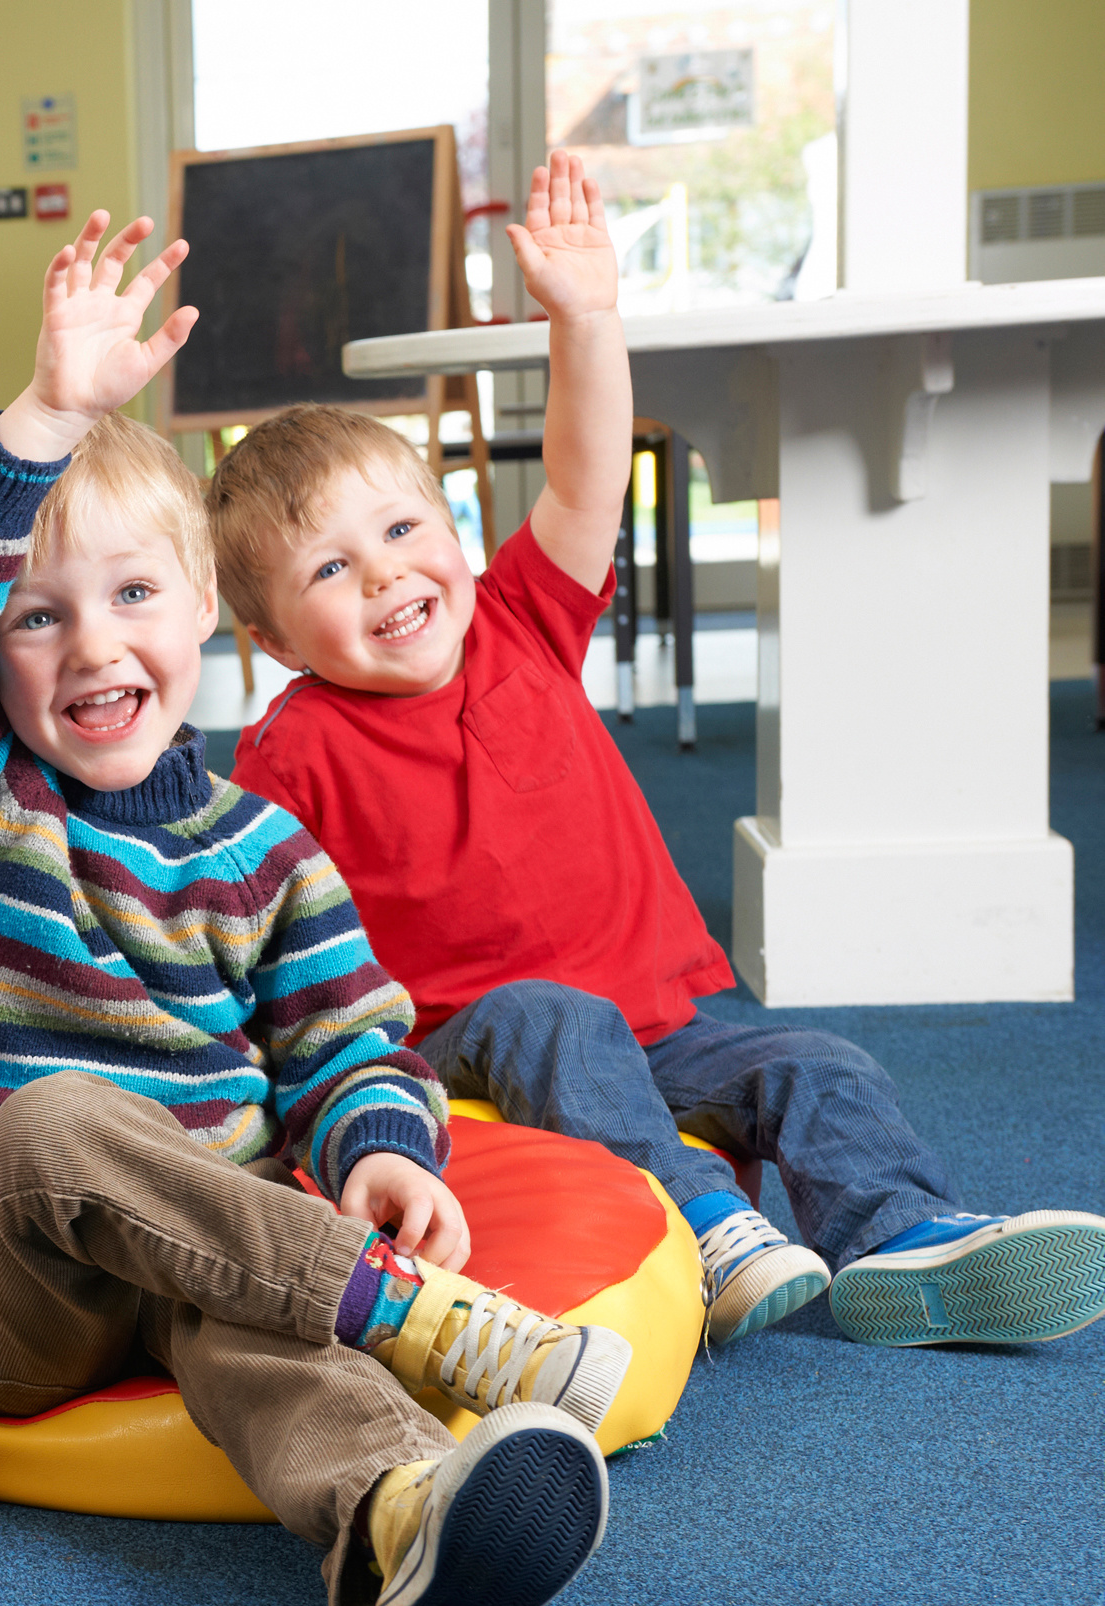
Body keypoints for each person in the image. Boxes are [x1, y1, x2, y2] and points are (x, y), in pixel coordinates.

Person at [0, 207, 632, 1606]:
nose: (91, 648)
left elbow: (342, 1040)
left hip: (205, 1250)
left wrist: (379, 1150)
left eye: (135, 595)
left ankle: (397, 1524)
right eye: (37, 620)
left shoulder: (264, 850)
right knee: (62, 1119)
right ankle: (408, 1317)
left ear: (208, 610)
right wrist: (42, 418)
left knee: (248, 1319)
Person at [218, 151, 1105, 1352]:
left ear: (451, 529)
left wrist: (586, 315)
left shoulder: (522, 618)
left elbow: (586, 481)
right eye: (330, 569)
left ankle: (904, 1238)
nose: (383, 573)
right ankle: (701, 1220)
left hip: (662, 1020)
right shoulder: (293, 747)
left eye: (401, 528)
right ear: (271, 638)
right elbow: (251, 925)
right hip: (474, 1035)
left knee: (819, 1063)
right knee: (553, 1020)